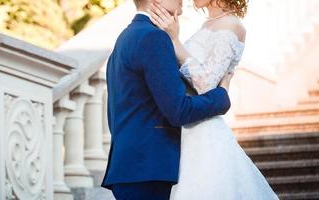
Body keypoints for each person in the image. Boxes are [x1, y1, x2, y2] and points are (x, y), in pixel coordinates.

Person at [101, 0, 235, 199]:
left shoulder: (127, 36)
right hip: (148, 171)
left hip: (132, 168)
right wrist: (221, 96)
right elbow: (178, 110)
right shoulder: (153, 38)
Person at [148, 0, 279, 199]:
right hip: (187, 124)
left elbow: (206, 84)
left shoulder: (233, 25)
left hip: (204, 129)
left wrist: (175, 40)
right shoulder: (206, 23)